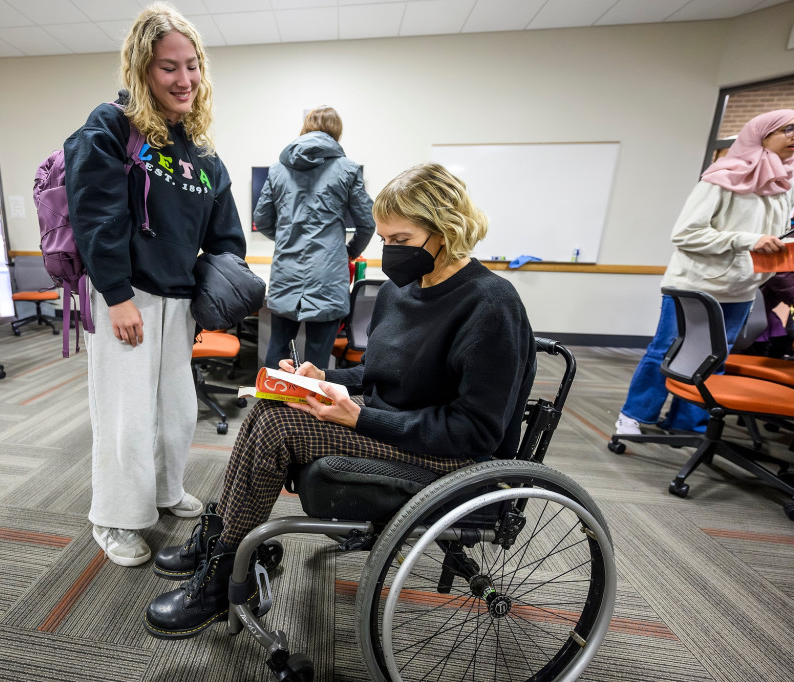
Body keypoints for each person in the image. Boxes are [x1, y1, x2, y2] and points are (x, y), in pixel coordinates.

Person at [144, 162, 537, 639]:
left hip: (455, 459)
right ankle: (226, 539)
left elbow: (476, 431)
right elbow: (379, 374)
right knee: (274, 405)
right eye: (385, 239)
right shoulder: (402, 292)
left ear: (447, 231)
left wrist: (360, 418)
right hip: (395, 428)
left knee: (278, 426)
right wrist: (320, 378)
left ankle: (227, 568)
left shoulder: (490, 305)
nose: (390, 252)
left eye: (403, 241)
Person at [63, 3, 246, 568]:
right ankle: (115, 518)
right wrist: (116, 294)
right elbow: (97, 217)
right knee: (127, 414)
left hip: (177, 299)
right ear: (142, 69)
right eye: (169, 67)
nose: (184, 79)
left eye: (192, 66)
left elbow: (226, 234)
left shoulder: (199, 149)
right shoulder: (111, 127)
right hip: (126, 294)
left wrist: (220, 284)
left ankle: (165, 490)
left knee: (176, 408)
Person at [615, 109, 794, 435]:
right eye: (788, 130)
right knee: (670, 348)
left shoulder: (784, 185)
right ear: (762, 134)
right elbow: (685, 233)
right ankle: (635, 416)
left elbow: (775, 233)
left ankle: (687, 423)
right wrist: (749, 240)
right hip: (696, 284)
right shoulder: (723, 176)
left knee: (715, 357)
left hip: (742, 287)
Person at [253, 106, 375, 370]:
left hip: (287, 271)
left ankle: (271, 406)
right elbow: (367, 223)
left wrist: (286, 237)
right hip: (329, 275)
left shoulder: (277, 170)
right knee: (317, 359)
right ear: (337, 132)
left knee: (278, 347)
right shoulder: (348, 169)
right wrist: (348, 252)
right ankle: (311, 409)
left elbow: (261, 219)